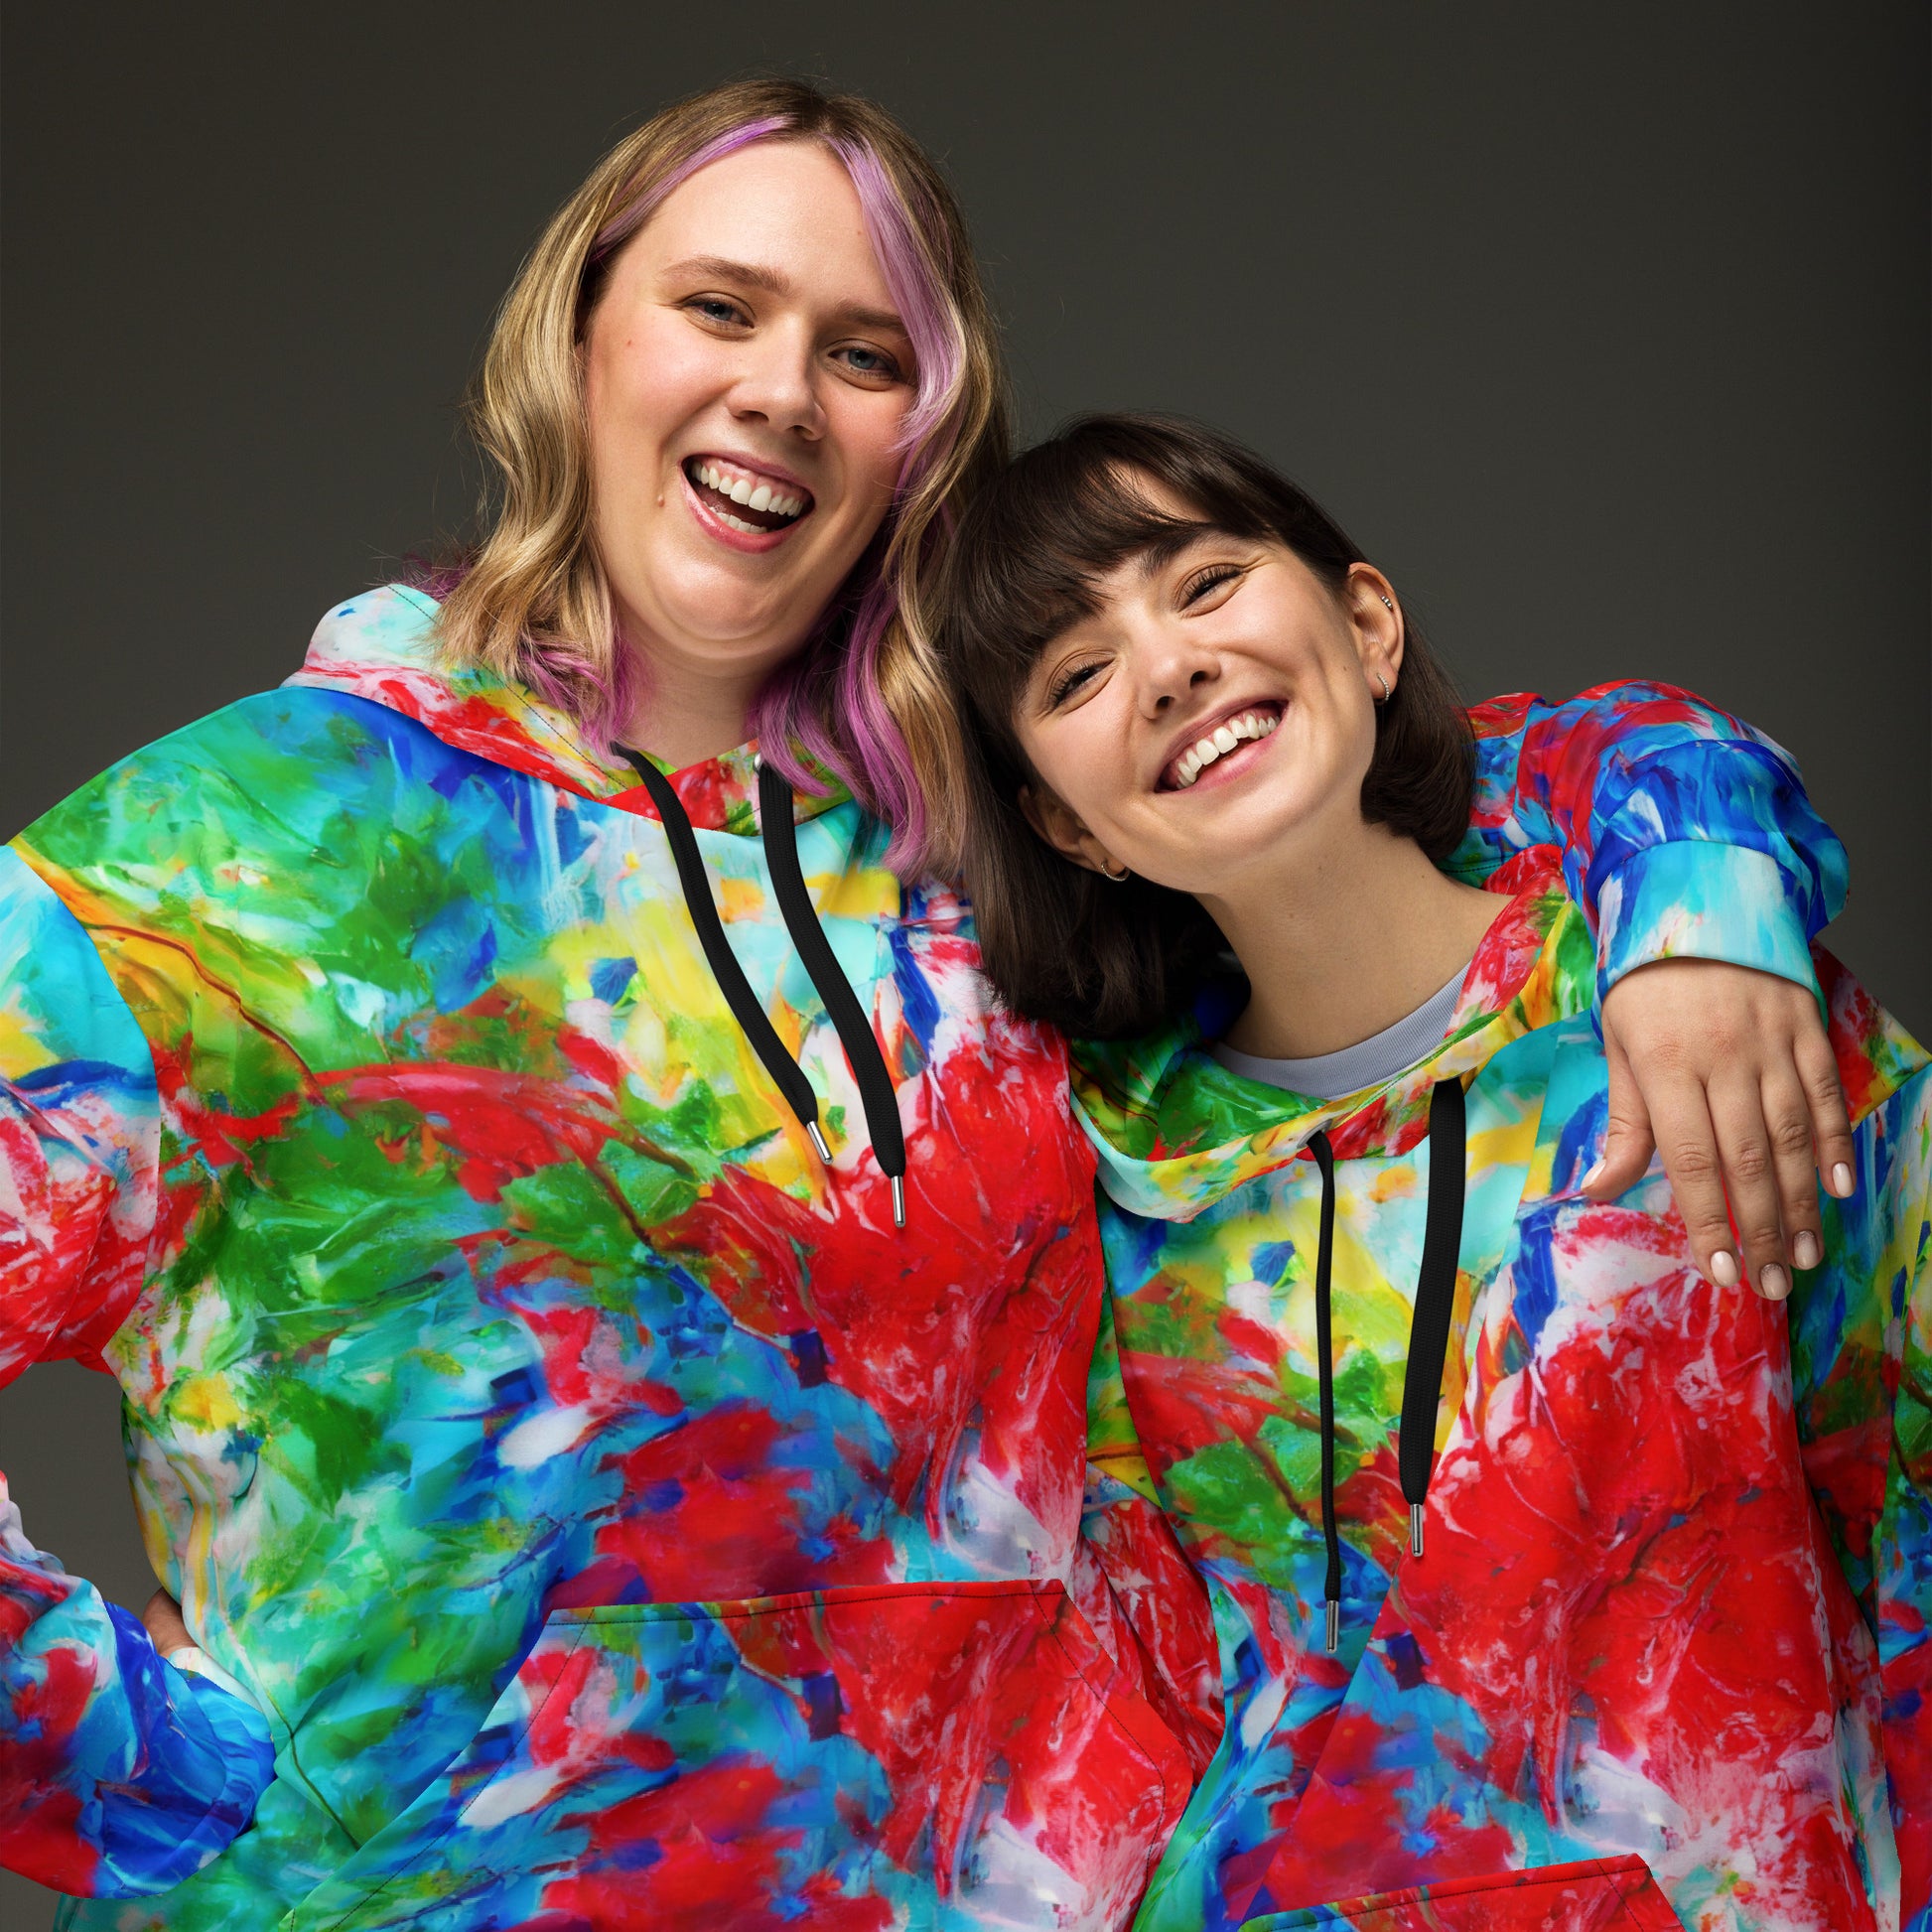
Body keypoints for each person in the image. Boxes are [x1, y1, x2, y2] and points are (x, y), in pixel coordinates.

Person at [0, 84, 1869, 1932]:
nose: (781, 392)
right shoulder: (237, 853)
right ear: (577, 341)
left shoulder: (988, 863)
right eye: (718, 308)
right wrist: (133, 1772)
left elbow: (1395, 813)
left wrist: (1699, 881)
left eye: (864, 353)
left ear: (922, 441)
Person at [938, 414, 1928, 1932]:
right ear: (1070, 826)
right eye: (1075, 676)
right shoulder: (1114, 1201)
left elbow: (1903, 1474)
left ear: (1365, 624)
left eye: (1203, 584)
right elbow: (1129, 1700)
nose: (1167, 666)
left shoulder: (1686, 1003)